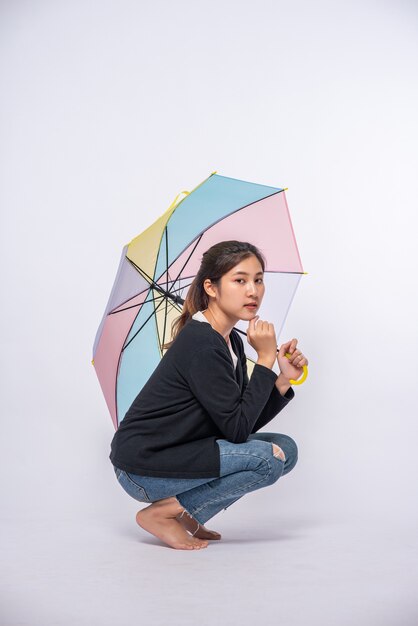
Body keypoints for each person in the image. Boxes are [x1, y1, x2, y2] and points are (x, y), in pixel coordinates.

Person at [110, 240, 309, 550]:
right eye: (240, 280)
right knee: (267, 461)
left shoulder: (231, 342)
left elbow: (243, 419)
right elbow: (238, 430)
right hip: (144, 465)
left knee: (286, 449)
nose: (253, 291)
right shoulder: (202, 344)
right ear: (211, 288)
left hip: (185, 450)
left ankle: (186, 516)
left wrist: (282, 378)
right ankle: (162, 515)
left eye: (258, 279)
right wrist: (266, 360)